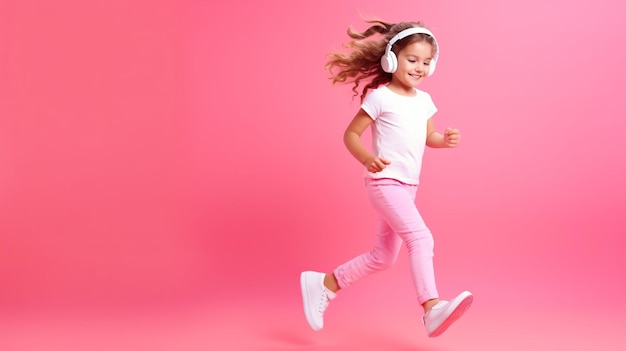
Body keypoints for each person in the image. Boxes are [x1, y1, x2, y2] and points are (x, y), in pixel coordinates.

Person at [300, 19, 473, 338]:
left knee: (383, 257)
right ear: (391, 59)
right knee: (421, 238)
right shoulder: (380, 97)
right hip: (384, 183)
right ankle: (431, 308)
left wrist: (443, 139)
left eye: (425, 62)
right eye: (412, 60)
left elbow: (428, 135)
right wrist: (367, 158)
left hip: (408, 188)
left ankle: (325, 283)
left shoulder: (424, 101)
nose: (419, 67)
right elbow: (351, 134)